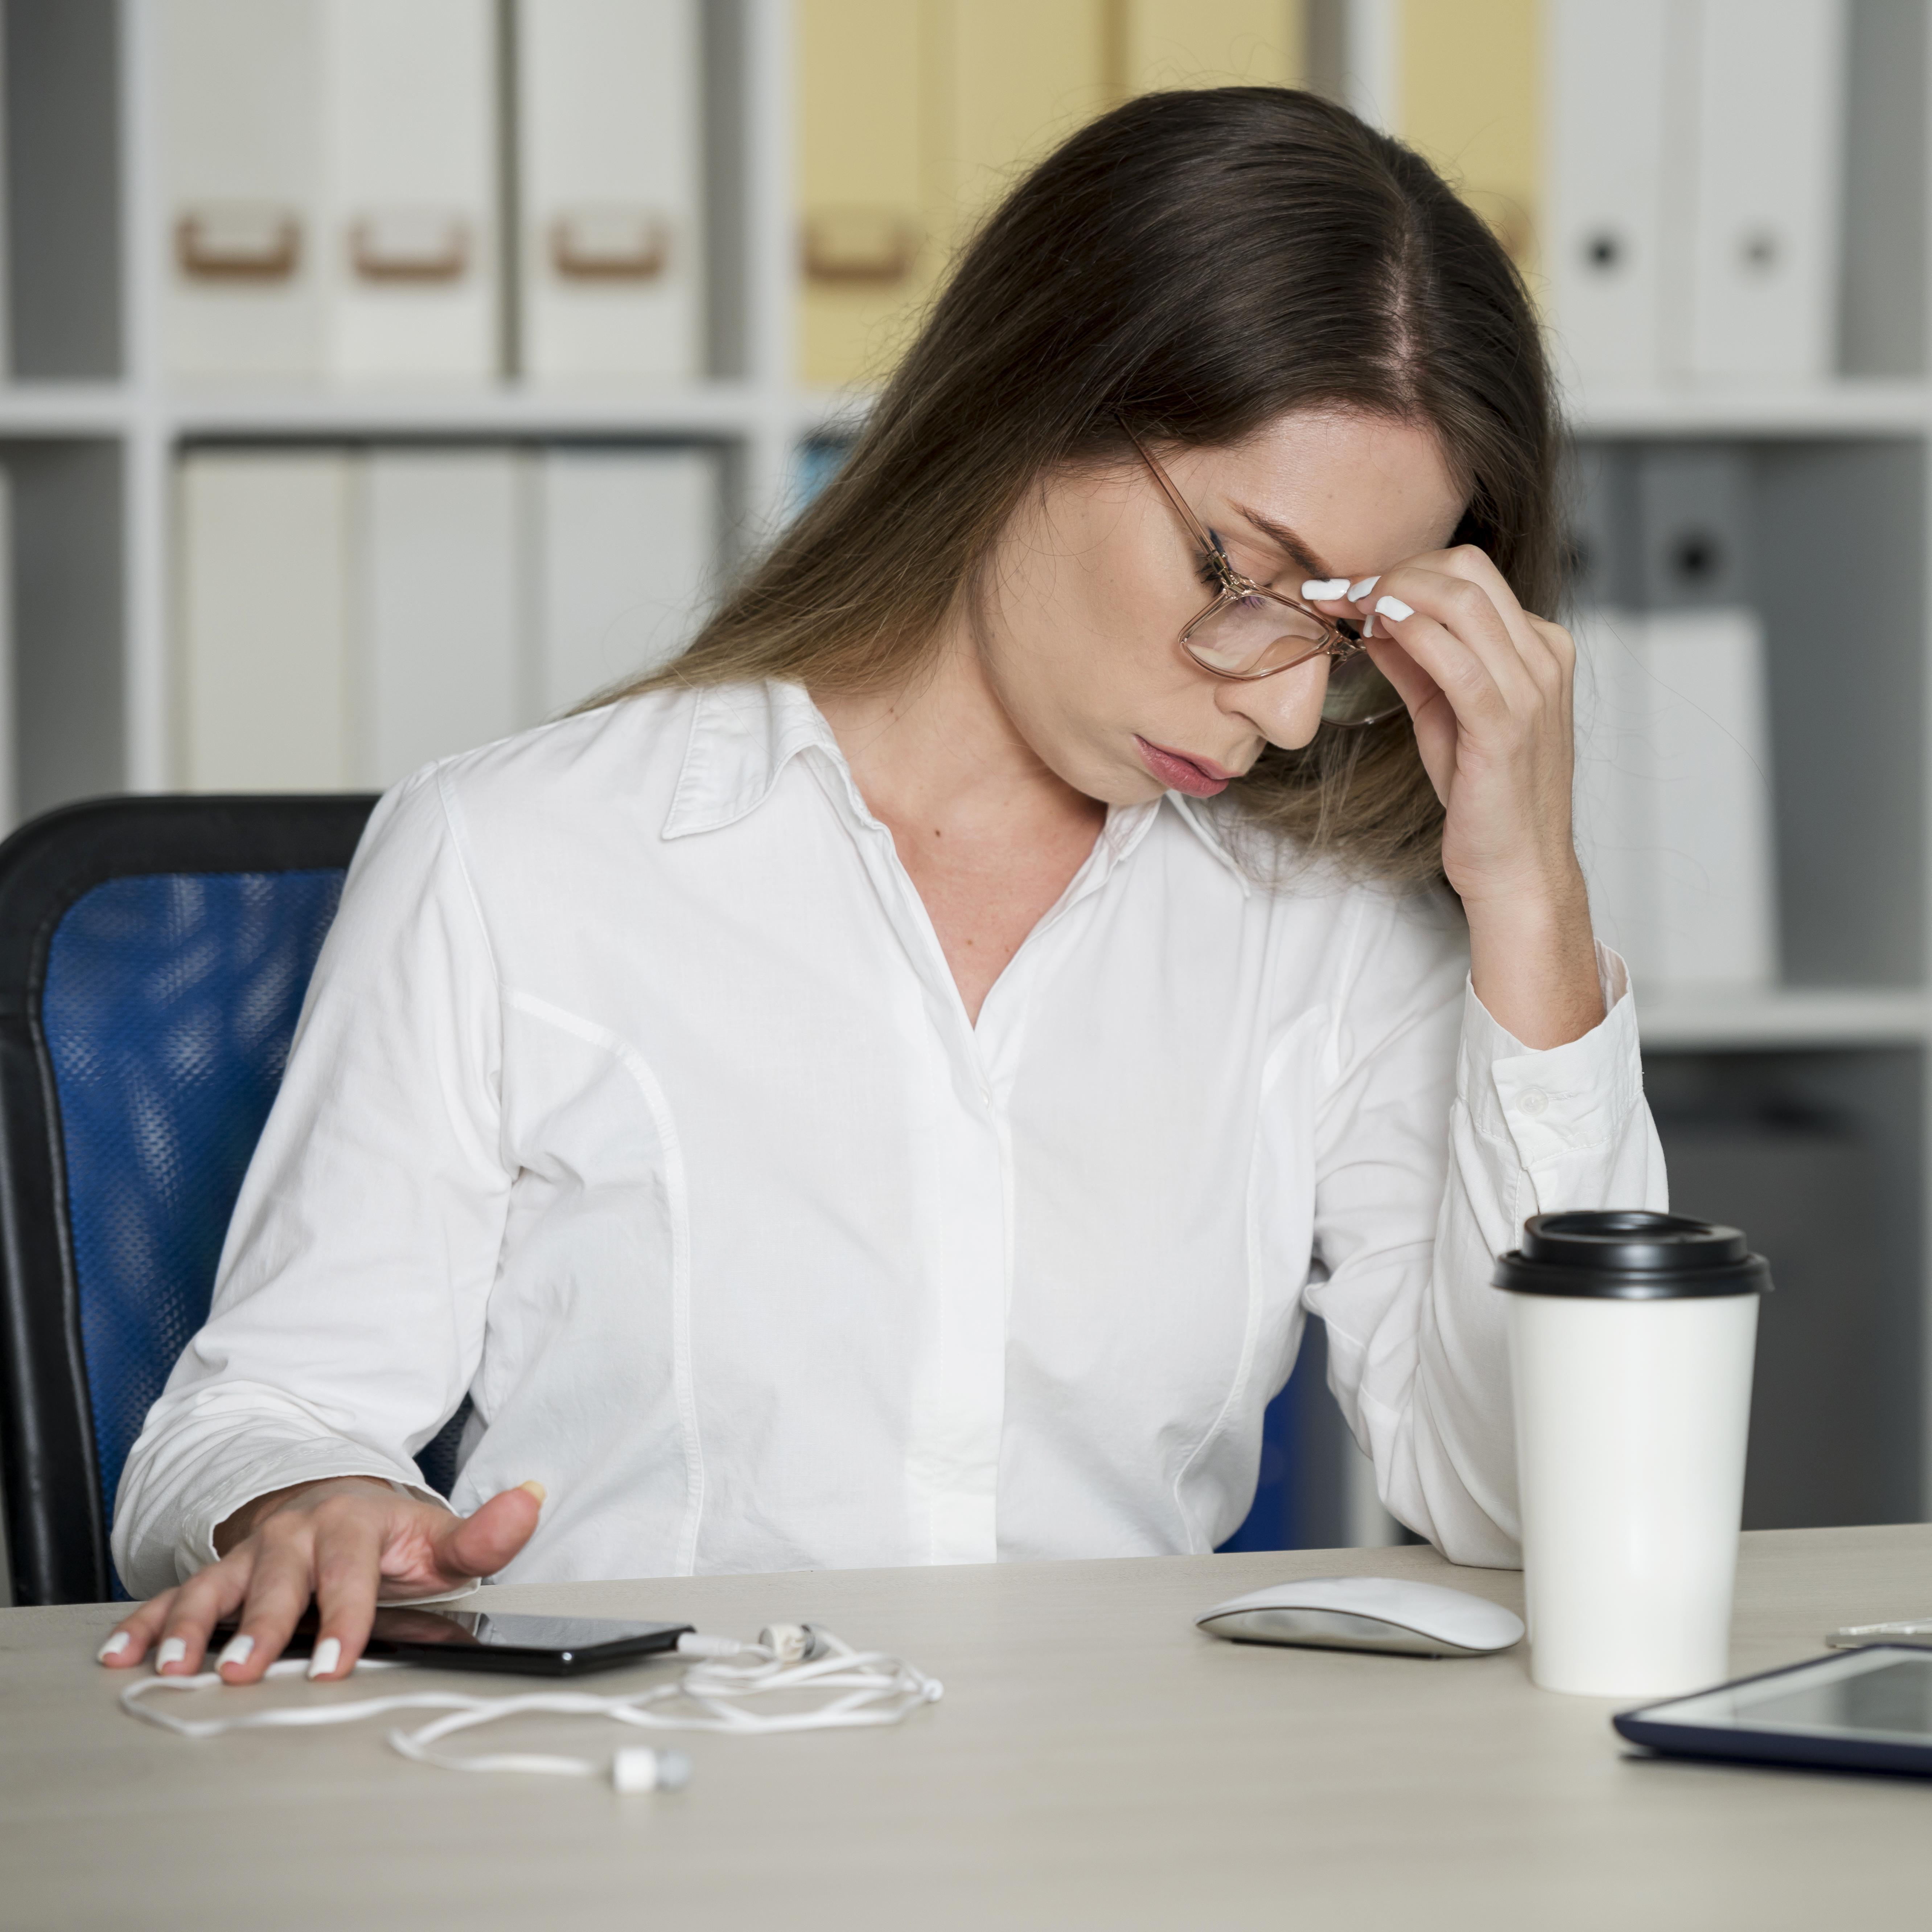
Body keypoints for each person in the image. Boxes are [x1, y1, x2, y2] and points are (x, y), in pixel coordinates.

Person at [99, 86, 1663, 1687]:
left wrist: (1530, 899)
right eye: (1245, 580)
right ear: (1029, 407)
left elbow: (1541, 1505)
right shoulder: (518, 857)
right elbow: (256, 1412)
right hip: (627, 1812)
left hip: (1126, 1825)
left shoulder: (1318, 942)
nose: (1279, 713)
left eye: (1343, 635)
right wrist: (321, 1497)